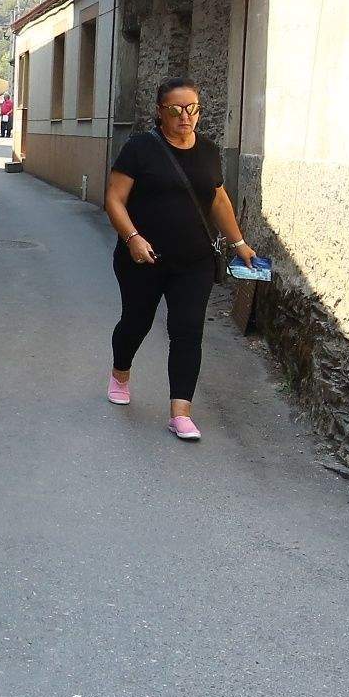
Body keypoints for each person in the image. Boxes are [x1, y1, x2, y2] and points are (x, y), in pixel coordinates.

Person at [102, 78, 257, 442]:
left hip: (194, 261)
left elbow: (218, 199)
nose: (185, 117)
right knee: (136, 321)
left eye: (192, 109)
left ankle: (181, 412)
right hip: (143, 258)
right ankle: (120, 373)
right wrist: (132, 238)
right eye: (175, 110)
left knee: (188, 330)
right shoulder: (140, 148)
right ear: (160, 112)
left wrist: (239, 243)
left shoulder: (208, 151)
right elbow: (114, 199)